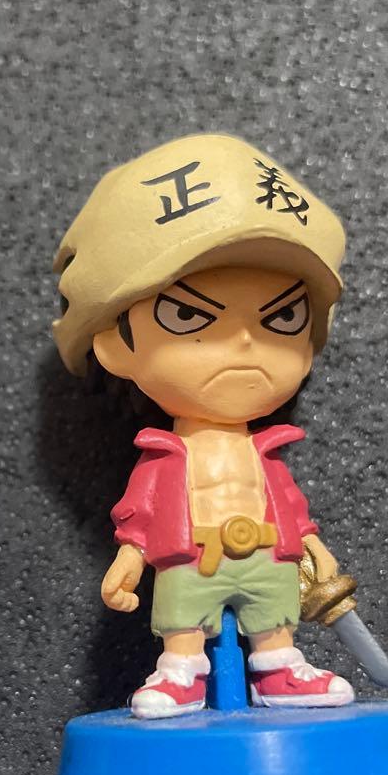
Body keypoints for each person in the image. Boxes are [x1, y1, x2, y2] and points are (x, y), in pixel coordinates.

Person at [52, 133, 356, 718]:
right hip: (191, 559)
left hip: (266, 555)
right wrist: (129, 558)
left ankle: (280, 671)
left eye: (282, 318)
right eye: (190, 315)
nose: (243, 342)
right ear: (115, 344)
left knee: (274, 621)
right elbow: (141, 512)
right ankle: (179, 676)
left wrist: (313, 546)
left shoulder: (264, 451)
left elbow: (288, 504)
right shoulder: (166, 455)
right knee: (183, 622)